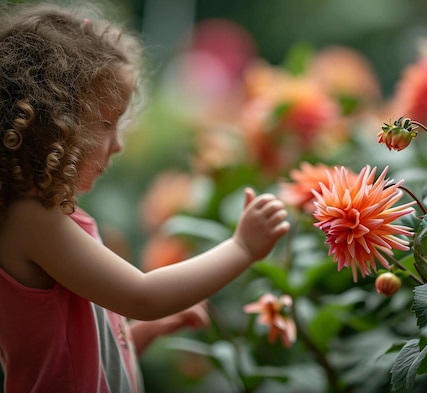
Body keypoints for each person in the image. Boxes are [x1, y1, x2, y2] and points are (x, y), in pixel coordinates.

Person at [0, 2, 291, 392]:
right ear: (51, 123)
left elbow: (84, 361)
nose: (117, 145)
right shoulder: (33, 222)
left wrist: (145, 332)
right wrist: (242, 246)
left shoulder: (49, 219)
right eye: (105, 124)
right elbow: (142, 295)